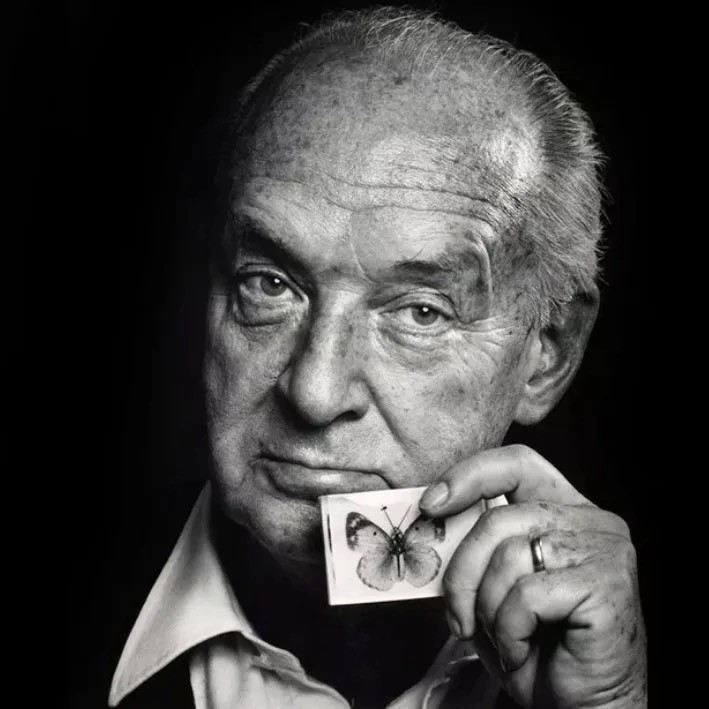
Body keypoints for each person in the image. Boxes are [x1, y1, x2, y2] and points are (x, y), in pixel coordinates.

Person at [105, 6, 647, 708]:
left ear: (548, 352)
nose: (315, 392)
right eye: (270, 284)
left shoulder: (619, 659)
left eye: (419, 312)